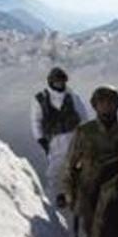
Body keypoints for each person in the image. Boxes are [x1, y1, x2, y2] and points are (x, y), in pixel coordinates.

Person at [60, 85, 118, 237]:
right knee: (95, 236)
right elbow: (69, 166)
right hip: (89, 193)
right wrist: (69, 195)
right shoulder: (84, 132)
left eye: (110, 102)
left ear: (117, 105)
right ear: (95, 106)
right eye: (101, 102)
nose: (106, 106)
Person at [31, 66, 91, 208]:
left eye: (61, 81)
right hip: (54, 140)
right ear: (50, 82)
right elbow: (36, 120)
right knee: (55, 170)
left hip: (73, 136)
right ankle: (56, 201)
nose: (59, 84)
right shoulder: (41, 99)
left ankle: (77, 197)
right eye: (56, 81)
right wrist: (40, 139)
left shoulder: (72, 97)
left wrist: (85, 135)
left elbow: (83, 117)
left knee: (77, 167)